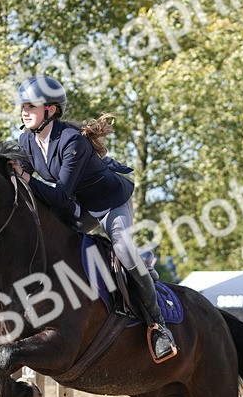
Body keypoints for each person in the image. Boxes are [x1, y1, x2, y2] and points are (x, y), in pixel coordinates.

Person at [12, 74, 177, 362]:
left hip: (109, 203)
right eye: (23, 106)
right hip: (80, 207)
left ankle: (158, 325)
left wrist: (26, 177)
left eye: (31, 106)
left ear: (50, 110)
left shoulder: (71, 141)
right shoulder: (26, 139)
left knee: (123, 249)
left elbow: (59, 196)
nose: (24, 111)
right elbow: (27, 184)